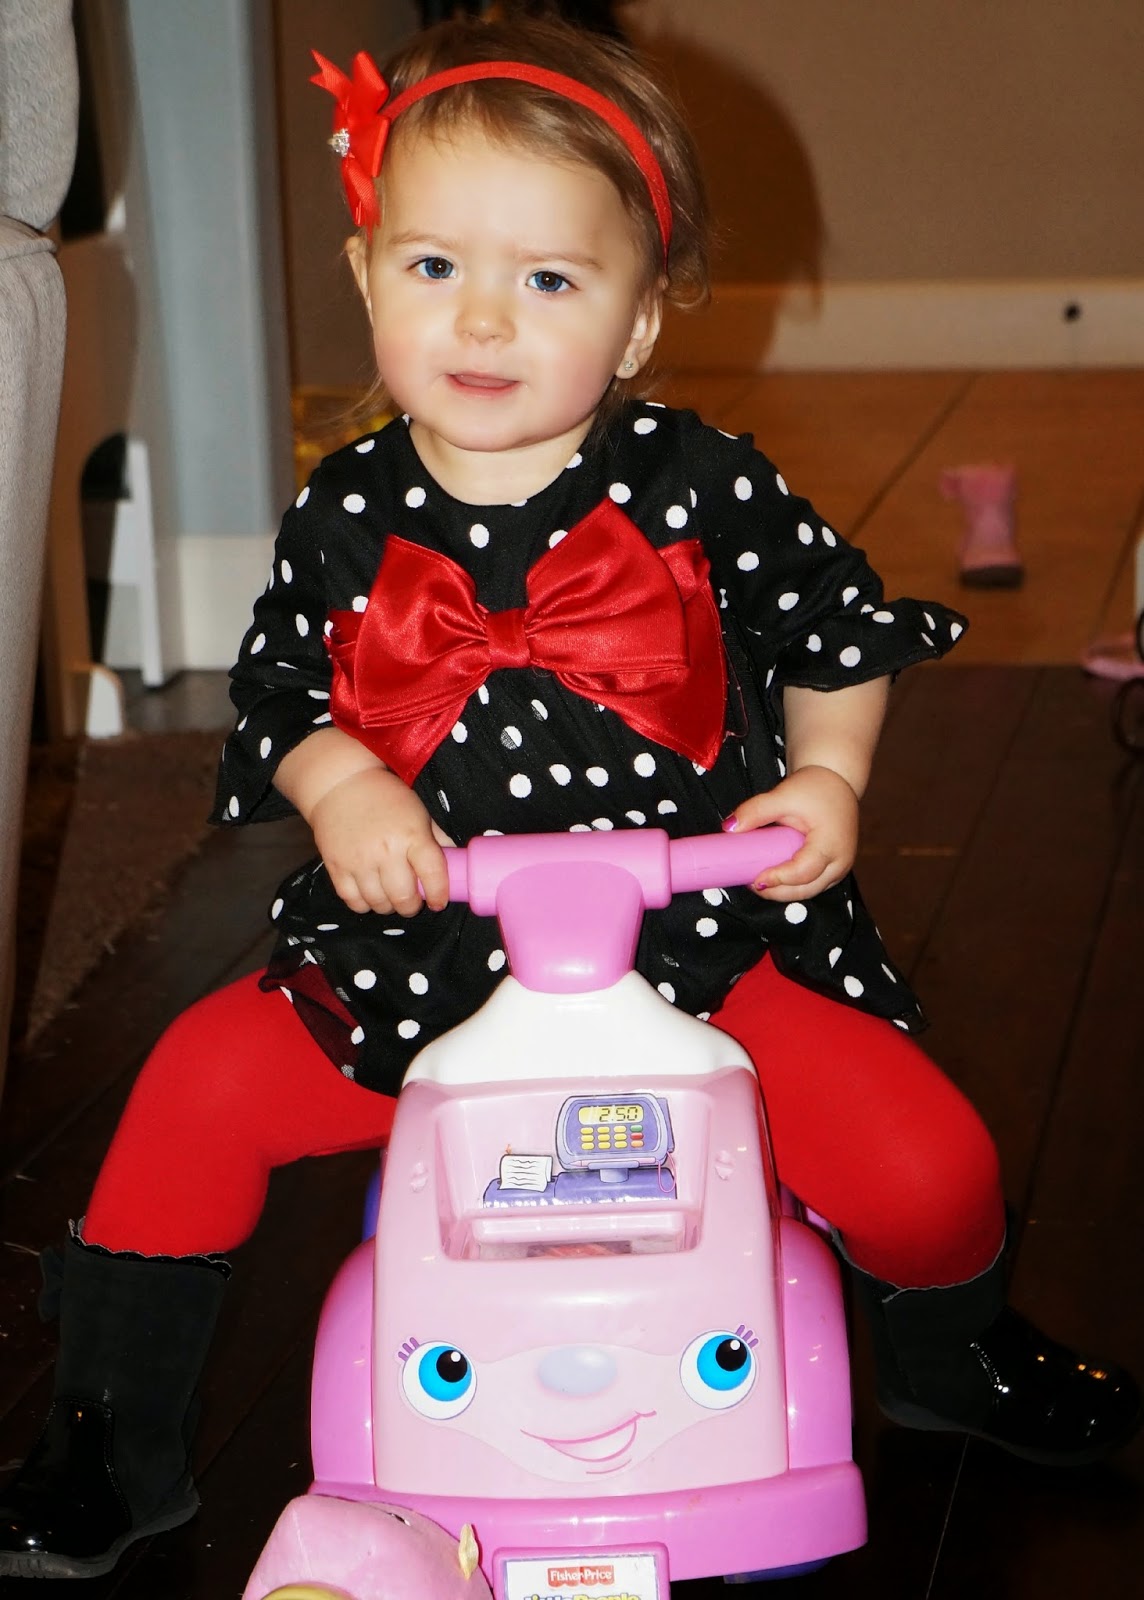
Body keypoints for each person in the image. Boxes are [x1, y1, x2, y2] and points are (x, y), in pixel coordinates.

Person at [0, 9, 1138, 1582]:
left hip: (699, 957)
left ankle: (956, 1354)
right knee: (191, 1094)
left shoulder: (702, 483)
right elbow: (278, 697)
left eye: (548, 281)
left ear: (640, 319)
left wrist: (829, 775)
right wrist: (344, 787)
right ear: (366, 275)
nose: (483, 318)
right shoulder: (344, 511)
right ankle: (110, 1438)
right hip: (421, 960)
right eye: (434, 266)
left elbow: (838, 638)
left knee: (926, 1164)